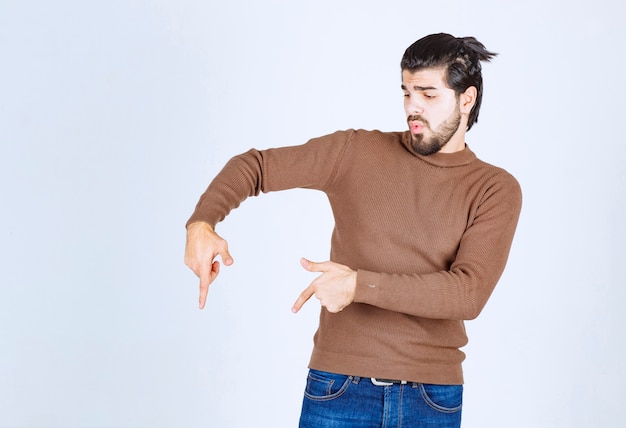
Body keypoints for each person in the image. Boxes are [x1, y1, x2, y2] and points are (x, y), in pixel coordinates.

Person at [184, 33, 522, 428]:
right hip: (339, 386)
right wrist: (202, 222)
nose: (413, 108)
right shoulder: (356, 152)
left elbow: (468, 293)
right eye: (407, 92)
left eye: (429, 95)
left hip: (431, 397)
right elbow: (255, 166)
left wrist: (359, 286)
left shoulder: (494, 188)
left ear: (467, 99)